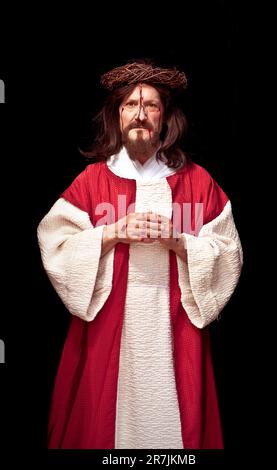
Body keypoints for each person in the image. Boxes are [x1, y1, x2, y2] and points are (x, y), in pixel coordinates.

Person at [37, 60, 243, 449]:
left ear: (165, 118)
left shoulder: (197, 181)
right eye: (130, 105)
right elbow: (56, 244)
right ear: (117, 116)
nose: (140, 114)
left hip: (175, 329)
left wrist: (179, 241)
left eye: (151, 106)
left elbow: (227, 252)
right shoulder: (92, 181)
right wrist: (113, 232)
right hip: (108, 331)